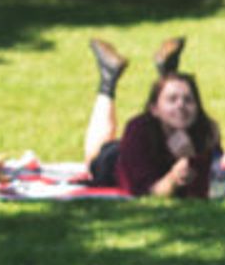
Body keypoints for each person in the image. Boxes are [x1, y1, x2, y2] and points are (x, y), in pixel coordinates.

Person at [84, 36, 216, 198]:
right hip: (116, 159)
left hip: (151, 156)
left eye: (188, 99)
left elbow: (203, 191)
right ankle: (108, 79)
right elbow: (144, 192)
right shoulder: (138, 130)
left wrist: (192, 158)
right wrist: (177, 173)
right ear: (154, 109)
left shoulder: (205, 132)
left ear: (197, 107)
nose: (181, 105)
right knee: (92, 159)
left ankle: (162, 74)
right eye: (172, 99)